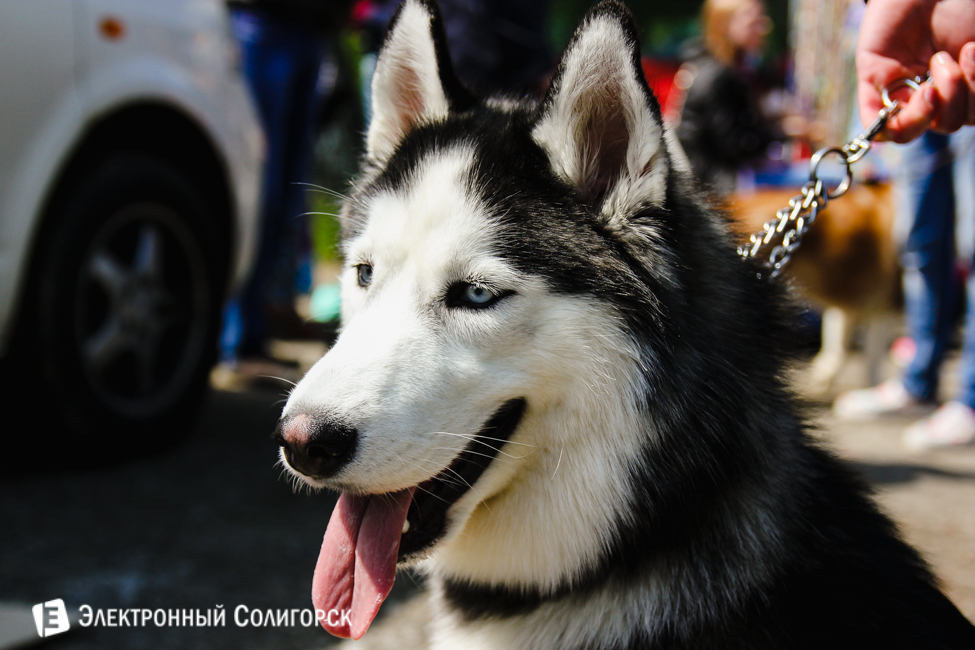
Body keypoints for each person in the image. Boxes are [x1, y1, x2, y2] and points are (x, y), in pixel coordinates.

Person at [833, 0, 975, 449]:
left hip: (953, 46)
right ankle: (918, 380)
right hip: (913, 62)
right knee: (919, 240)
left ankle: (970, 399)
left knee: (973, 245)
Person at [220, 0, 350, 370]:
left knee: (287, 195)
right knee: (261, 189)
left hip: (312, 31)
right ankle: (237, 339)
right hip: (262, 24)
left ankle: (254, 335)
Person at [676, 0, 781, 196]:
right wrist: (782, 133)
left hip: (725, 178)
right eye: (754, 21)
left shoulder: (722, 68)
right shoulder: (718, 76)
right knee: (830, 179)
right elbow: (736, 145)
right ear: (725, 25)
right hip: (728, 185)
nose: (764, 27)